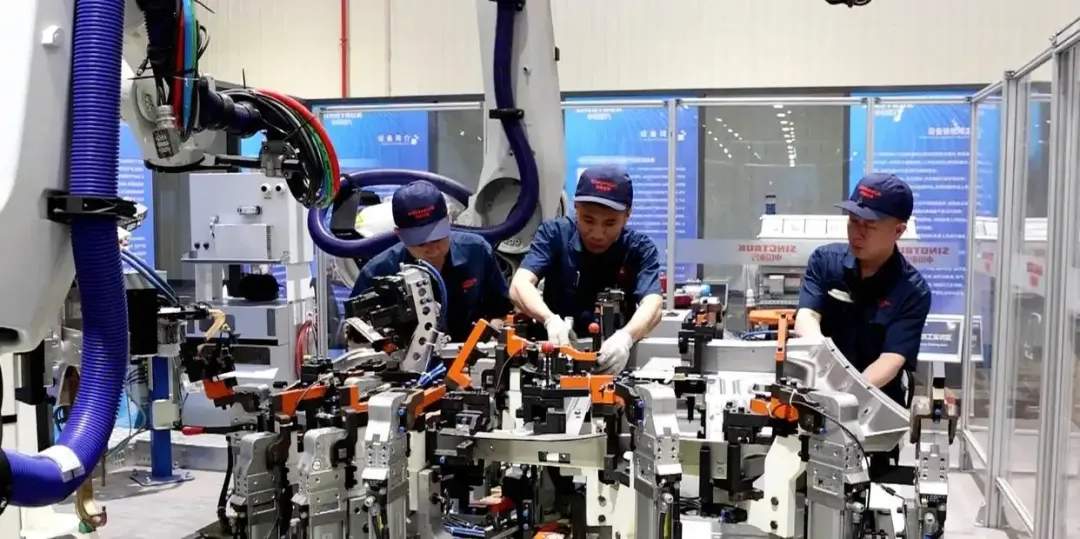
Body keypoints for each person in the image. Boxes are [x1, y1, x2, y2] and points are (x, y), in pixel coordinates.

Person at [509, 165, 663, 374]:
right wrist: (550, 320)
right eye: (588, 220)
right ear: (576, 208)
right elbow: (519, 286)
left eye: (610, 223)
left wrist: (625, 337)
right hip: (555, 360)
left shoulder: (639, 248)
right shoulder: (554, 234)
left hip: (613, 363)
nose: (598, 233)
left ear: (627, 215)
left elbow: (653, 305)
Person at [794, 173, 932, 406]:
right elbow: (807, 317)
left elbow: (891, 359)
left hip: (875, 402)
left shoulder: (913, 291)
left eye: (869, 225)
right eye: (853, 220)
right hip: (815, 391)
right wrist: (823, 371)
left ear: (898, 231)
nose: (857, 233)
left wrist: (844, 395)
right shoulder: (825, 261)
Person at [350, 180, 512, 342]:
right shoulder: (377, 272)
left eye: (437, 238)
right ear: (400, 235)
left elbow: (501, 310)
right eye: (420, 243)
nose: (432, 249)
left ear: (448, 221)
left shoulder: (477, 251)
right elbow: (354, 333)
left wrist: (494, 334)